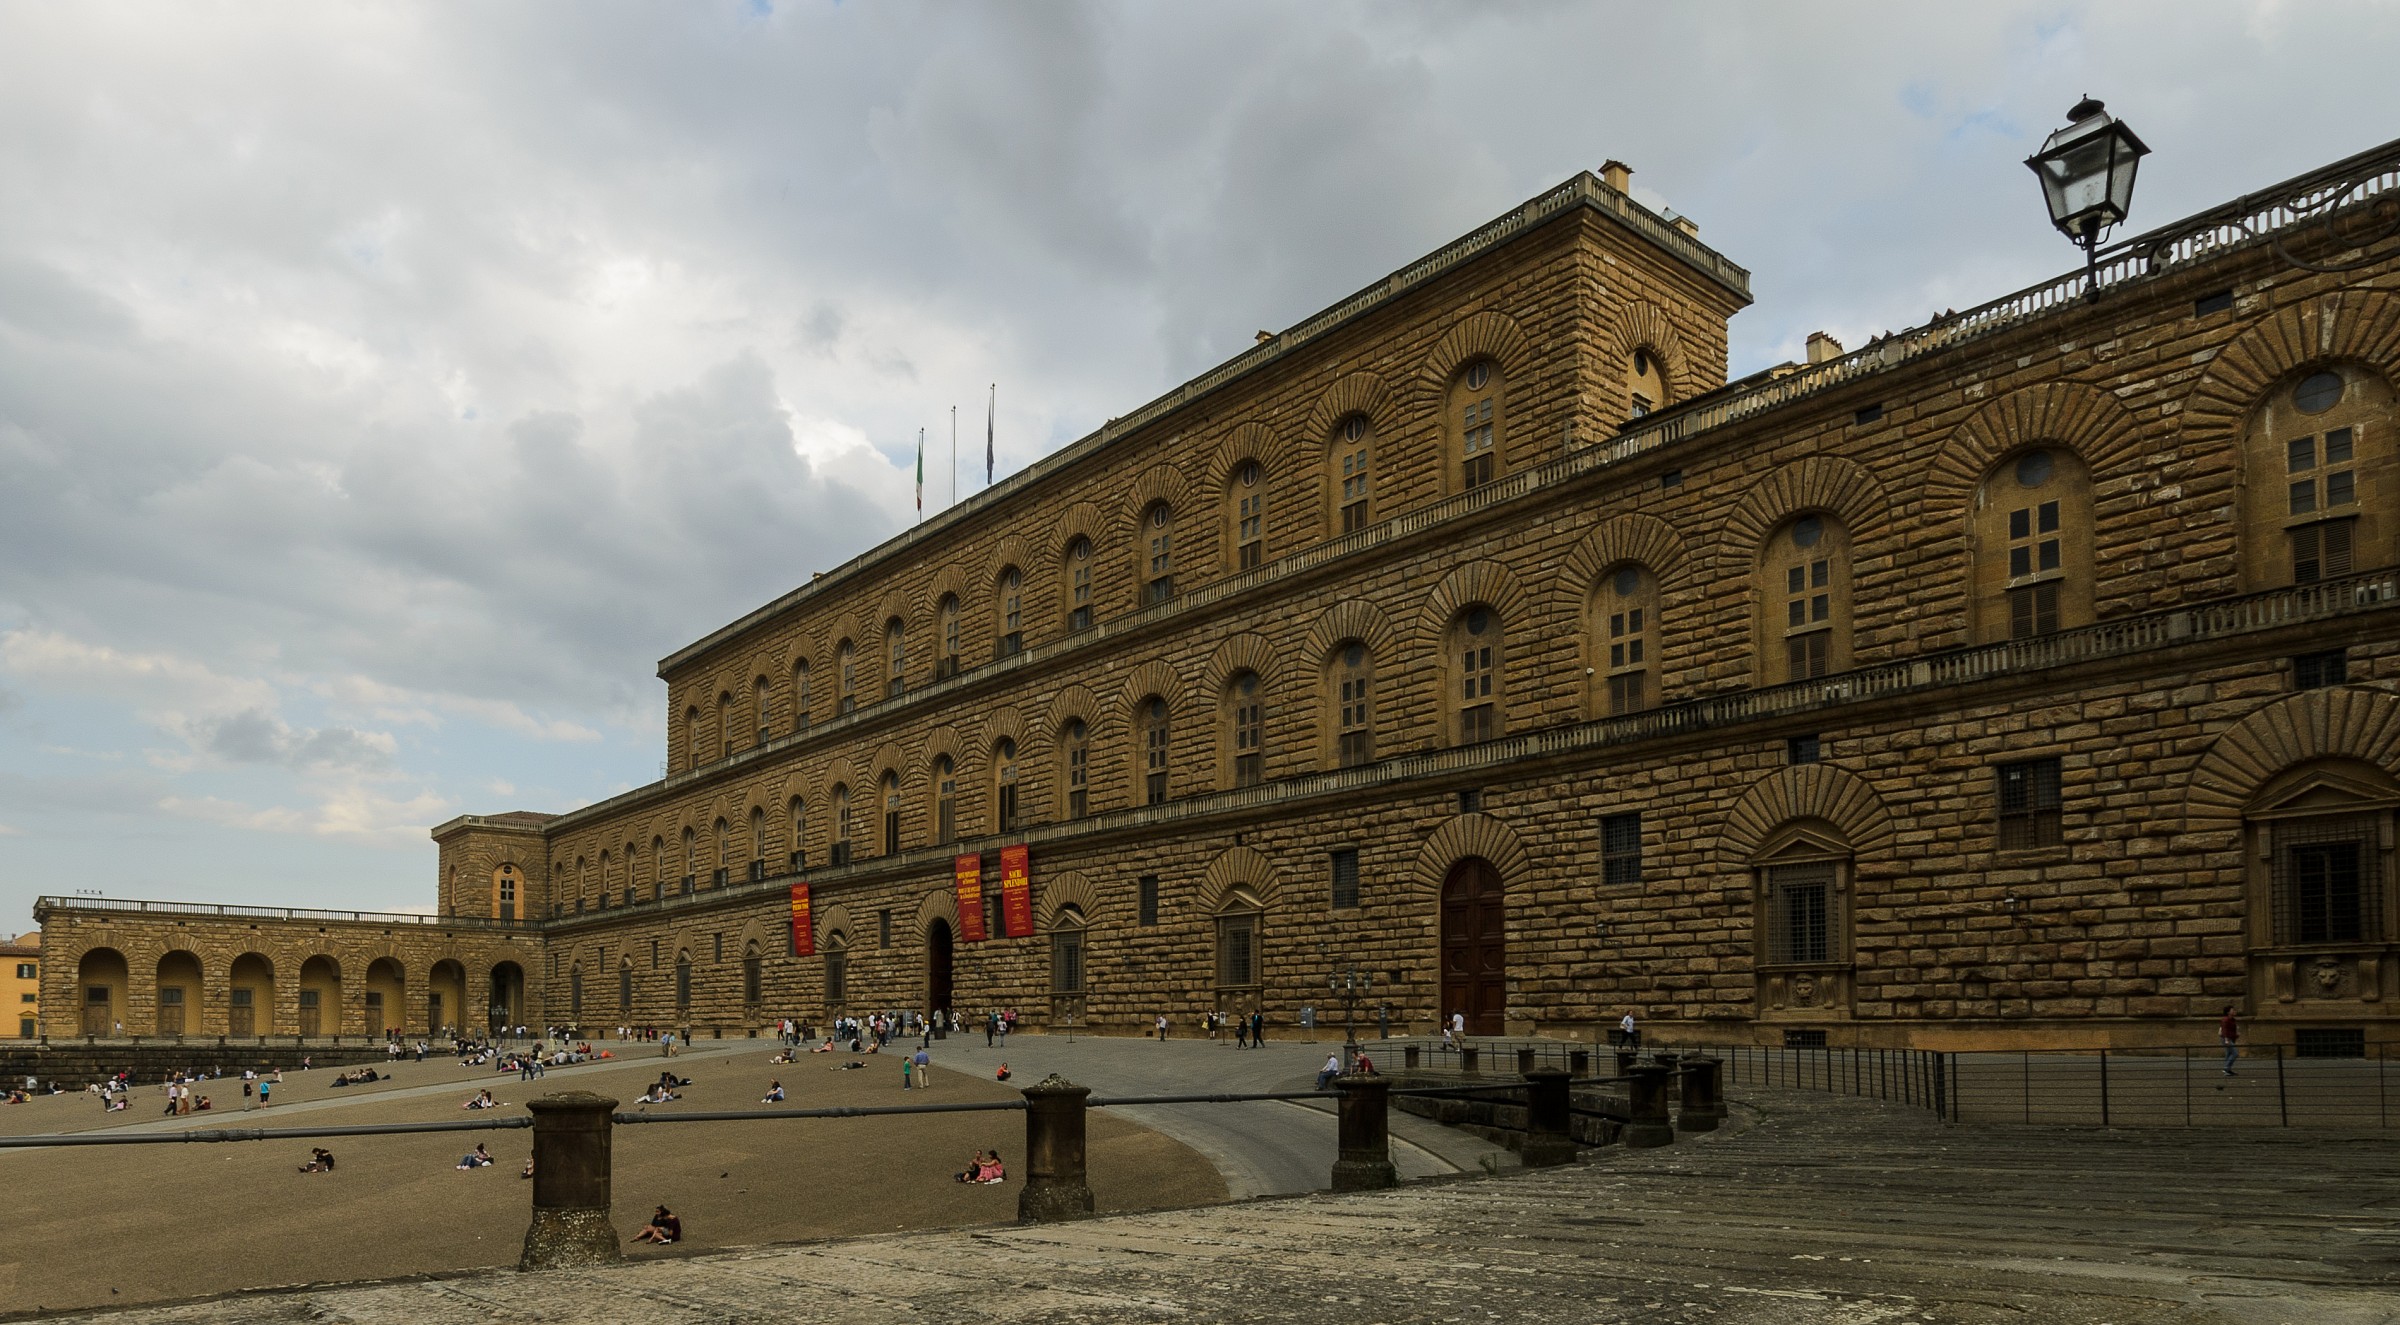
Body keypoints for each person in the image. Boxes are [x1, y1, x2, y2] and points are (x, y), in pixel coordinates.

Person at [2220, 1006, 2240, 1076]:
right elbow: (2225, 1030)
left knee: (2228, 1054)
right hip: (2227, 1038)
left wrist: (2236, 1035)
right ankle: (2226, 1068)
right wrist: (2226, 1039)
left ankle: (2228, 1070)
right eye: (2232, 1010)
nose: (2234, 1011)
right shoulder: (2226, 1020)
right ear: (2228, 1012)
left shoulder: (2232, 1019)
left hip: (2230, 1038)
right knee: (2235, 1053)